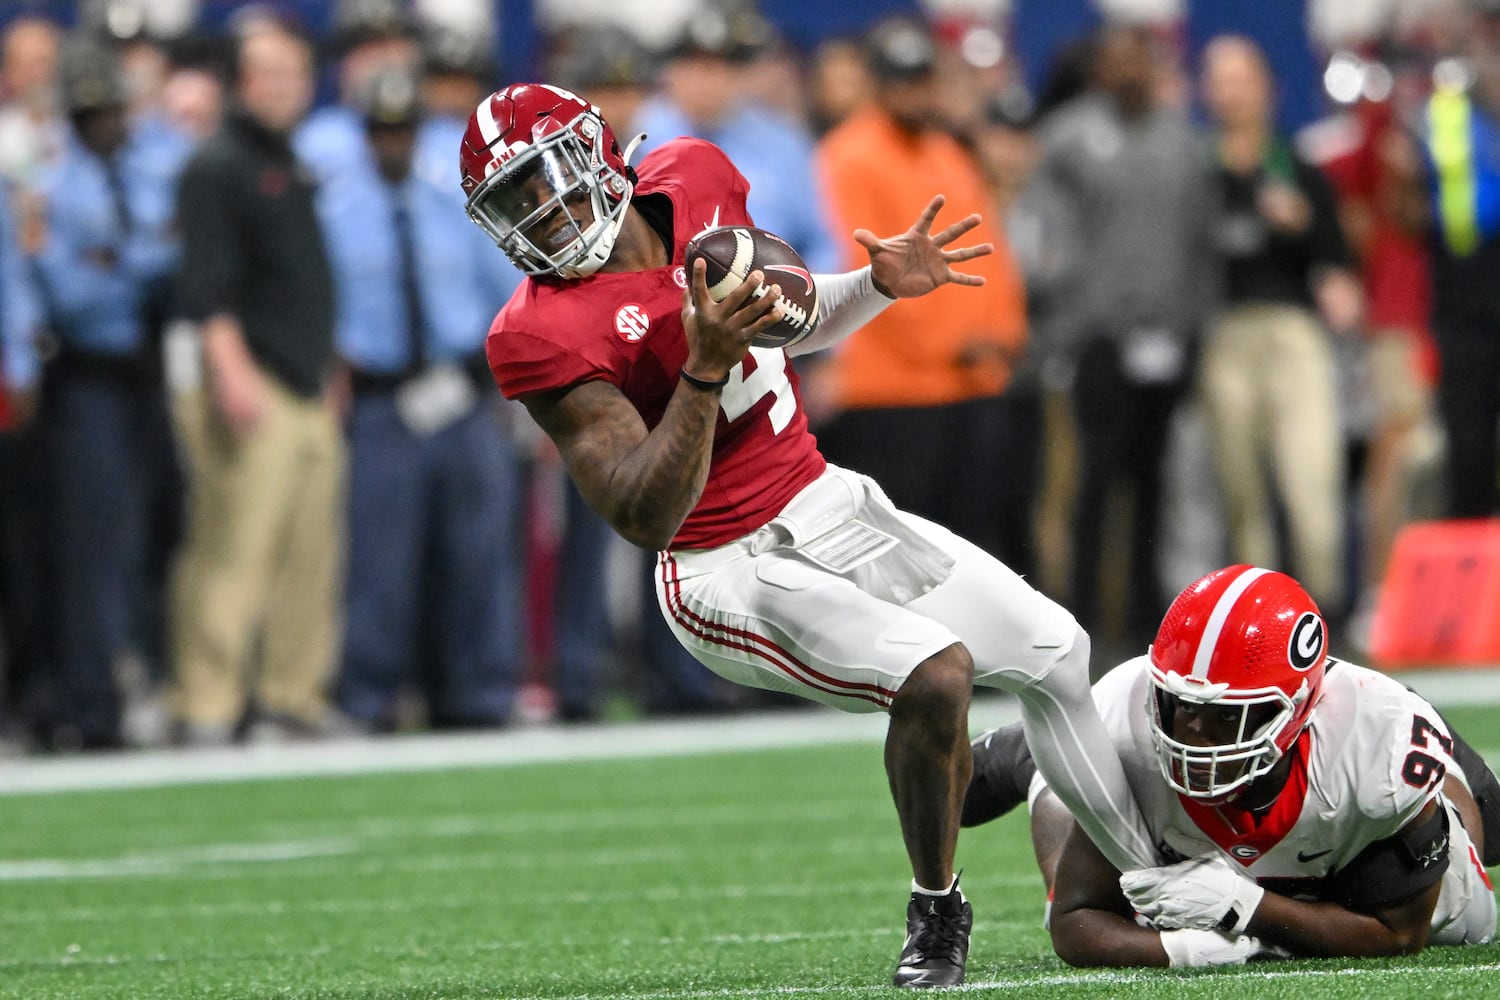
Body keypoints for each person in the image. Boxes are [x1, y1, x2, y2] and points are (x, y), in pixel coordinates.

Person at [460, 81, 1157, 988]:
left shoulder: (694, 176)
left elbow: (788, 317)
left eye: (545, 180)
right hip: (721, 565)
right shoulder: (541, 331)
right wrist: (701, 372)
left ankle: (1147, 881)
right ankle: (937, 904)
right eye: (515, 203)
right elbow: (643, 513)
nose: (543, 214)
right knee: (934, 671)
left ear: (596, 151)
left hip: (826, 498)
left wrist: (875, 286)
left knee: (1059, 650)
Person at [963, 564, 1498, 967]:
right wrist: (1180, 949)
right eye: (1181, 706)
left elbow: (1398, 935)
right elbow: (1076, 920)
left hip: (1361, 808)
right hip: (1243, 825)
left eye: (1226, 715)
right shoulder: (1126, 715)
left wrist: (1245, 907)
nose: (1193, 732)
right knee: (1071, 783)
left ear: (1294, 712)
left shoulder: (1375, 752)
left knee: (1476, 852)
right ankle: (1032, 754)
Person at [320, 65, 525, 731]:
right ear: (365, 135)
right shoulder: (335, 212)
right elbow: (320, 308)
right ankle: (372, 695)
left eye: (402, 129)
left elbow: (506, 293)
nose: (393, 142)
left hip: (460, 392)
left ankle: (479, 691)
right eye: (381, 130)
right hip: (381, 400)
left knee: (477, 552)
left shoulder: (456, 203)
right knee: (382, 560)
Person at [169, 13, 346, 745]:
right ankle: (205, 704)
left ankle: (290, 697)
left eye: (293, 73)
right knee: (234, 548)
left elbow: (305, 282)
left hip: (307, 381)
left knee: (311, 552)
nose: (282, 86)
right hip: (252, 377)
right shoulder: (215, 165)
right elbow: (205, 287)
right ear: (241, 83)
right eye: (267, 72)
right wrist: (230, 371)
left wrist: (330, 368)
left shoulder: (293, 160)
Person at [813, 15, 1029, 563]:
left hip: (970, 384)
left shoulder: (948, 152)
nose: (913, 92)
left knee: (969, 554)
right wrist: (955, 343)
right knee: (897, 560)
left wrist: (1003, 334)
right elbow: (868, 273)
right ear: (880, 84)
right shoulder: (848, 155)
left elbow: (992, 253)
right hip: (889, 393)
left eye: (922, 78)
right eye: (901, 79)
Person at [25, 37, 190, 751]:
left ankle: (146, 679)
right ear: (71, 117)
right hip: (85, 379)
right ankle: (92, 703)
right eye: (90, 114)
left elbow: (179, 262)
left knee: (163, 526)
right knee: (94, 544)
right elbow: (69, 295)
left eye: (112, 112)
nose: (105, 125)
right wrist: (141, 261)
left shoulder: (153, 170)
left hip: (148, 377)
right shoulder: (49, 183)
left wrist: (120, 260)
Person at [1036, 23, 1217, 655]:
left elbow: (1202, 244)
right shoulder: (1068, 139)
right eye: (1112, 61)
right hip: (1100, 339)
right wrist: (1073, 323)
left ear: (1154, 62)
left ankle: (1146, 619)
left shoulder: (1183, 141)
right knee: (1093, 478)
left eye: (1134, 60)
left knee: (1155, 480)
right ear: (1097, 70)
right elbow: (1051, 239)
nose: (1125, 73)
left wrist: (1197, 329)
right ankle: (1080, 616)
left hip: (1168, 335)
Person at [1198, 36, 1362, 615]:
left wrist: (1306, 233)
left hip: (1293, 331)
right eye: (1219, 79)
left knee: (1309, 477)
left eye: (1242, 79)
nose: (1232, 93)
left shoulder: (1295, 164)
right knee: (1241, 493)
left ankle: (1329, 615)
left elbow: (1340, 263)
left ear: (1268, 89)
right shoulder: (1199, 170)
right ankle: (1255, 623)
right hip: (1225, 333)